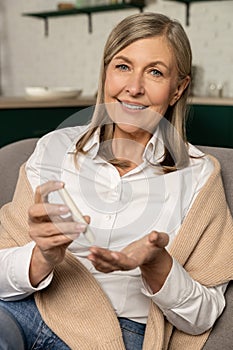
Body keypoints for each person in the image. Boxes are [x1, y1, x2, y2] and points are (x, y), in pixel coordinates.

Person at [0, 12, 232, 350]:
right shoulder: (54, 148)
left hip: (118, 334)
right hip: (28, 312)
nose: (133, 88)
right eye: (122, 66)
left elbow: (203, 316)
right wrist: (43, 256)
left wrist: (157, 265)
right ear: (106, 73)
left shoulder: (199, 175)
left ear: (178, 88)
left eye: (154, 72)